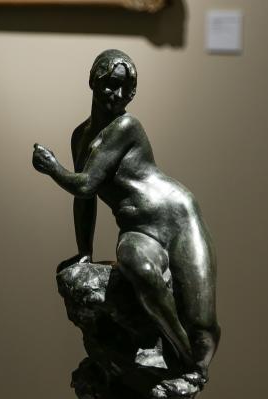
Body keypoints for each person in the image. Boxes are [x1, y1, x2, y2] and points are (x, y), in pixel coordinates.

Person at [33, 49, 219, 381]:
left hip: (177, 215)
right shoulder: (80, 136)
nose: (116, 94)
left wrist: (53, 168)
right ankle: (186, 359)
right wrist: (84, 252)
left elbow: (86, 185)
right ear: (93, 81)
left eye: (125, 89)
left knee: (202, 324)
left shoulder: (126, 126)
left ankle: (192, 364)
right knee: (140, 269)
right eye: (110, 84)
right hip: (136, 228)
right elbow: (85, 201)